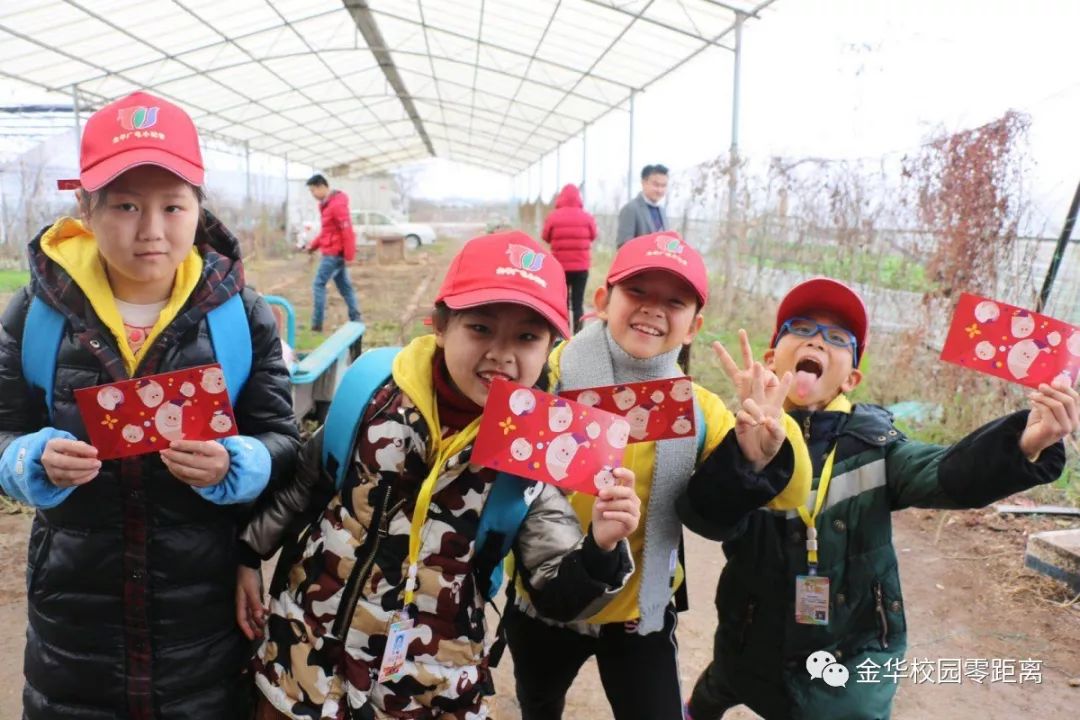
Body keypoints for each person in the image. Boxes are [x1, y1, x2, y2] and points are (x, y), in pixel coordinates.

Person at [239, 231, 643, 719]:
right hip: (301, 663)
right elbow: (306, 485)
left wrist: (598, 551)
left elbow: (554, 592)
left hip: (429, 690)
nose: (501, 353)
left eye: (527, 337)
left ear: (551, 346)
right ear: (442, 324)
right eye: (480, 328)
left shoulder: (537, 447)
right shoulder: (372, 391)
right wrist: (248, 555)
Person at [0, 90, 300, 719]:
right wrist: (29, 461)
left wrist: (235, 466)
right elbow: (3, 431)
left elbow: (281, 437)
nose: (152, 231)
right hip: (76, 620)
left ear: (198, 204)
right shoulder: (35, 315)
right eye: (126, 205)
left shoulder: (240, 318)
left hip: (201, 616)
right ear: (85, 206)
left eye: (172, 205)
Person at [681, 277, 1078, 720]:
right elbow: (709, 518)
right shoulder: (741, 432)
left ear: (851, 376)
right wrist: (746, 460)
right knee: (722, 684)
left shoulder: (876, 444)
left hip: (851, 648)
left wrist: (1023, 442)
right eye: (802, 328)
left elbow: (944, 474)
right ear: (773, 357)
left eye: (837, 338)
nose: (817, 341)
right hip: (751, 631)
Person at [504, 231, 813, 720]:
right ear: (604, 300)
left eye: (674, 301)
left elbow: (788, 495)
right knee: (539, 704)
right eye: (638, 292)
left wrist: (762, 448)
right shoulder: (549, 377)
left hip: (637, 618)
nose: (653, 309)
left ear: (693, 326)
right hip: (547, 605)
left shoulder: (701, 411)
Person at [305, 173, 362, 331]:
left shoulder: (336, 205)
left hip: (334, 254)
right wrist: (313, 246)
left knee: (318, 284)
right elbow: (327, 232)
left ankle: (317, 325)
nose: (313, 195)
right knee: (345, 287)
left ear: (321, 186)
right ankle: (356, 318)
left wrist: (349, 255)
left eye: (313, 191)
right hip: (333, 252)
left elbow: (347, 230)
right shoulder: (326, 205)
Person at [542, 183, 598, 333]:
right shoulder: (587, 217)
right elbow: (593, 236)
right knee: (578, 303)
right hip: (581, 267)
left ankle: (563, 334)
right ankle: (578, 334)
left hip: (560, 268)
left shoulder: (553, 217)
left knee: (563, 303)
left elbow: (545, 236)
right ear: (579, 198)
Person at [615, 164, 669, 248]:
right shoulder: (631, 209)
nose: (660, 190)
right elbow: (624, 245)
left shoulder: (662, 211)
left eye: (663, 186)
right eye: (656, 185)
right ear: (644, 183)